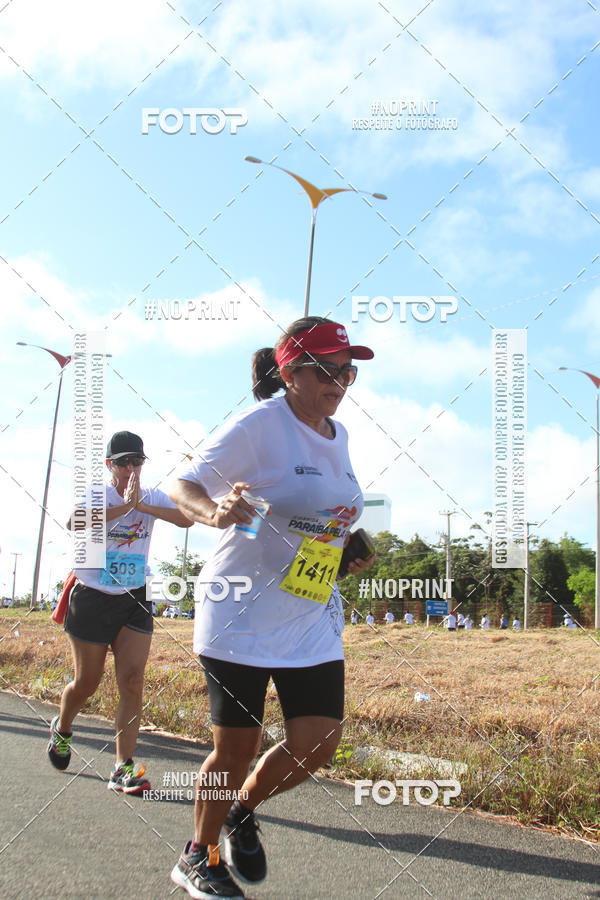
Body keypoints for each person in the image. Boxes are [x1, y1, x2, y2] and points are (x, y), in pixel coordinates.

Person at [168, 317, 376, 899]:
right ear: (290, 373)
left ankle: (240, 809)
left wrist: (347, 541)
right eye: (328, 368)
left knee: (318, 741)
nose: (341, 379)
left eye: (348, 369)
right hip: (240, 613)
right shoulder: (260, 426)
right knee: (235, 748)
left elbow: (329, 510)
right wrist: (211, 512)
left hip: (308, 613)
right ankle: (198, 856)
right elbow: (183, 484)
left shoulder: (340, 435)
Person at [47, 431, 192, 793]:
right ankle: (62, 727)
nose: (131, 468)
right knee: (87, 683)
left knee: (132, 682)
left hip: (134, 596)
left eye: (137, 461)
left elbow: (186, 519)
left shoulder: (152, 495)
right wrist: (126, 508)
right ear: (110, 465)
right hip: (93, 595)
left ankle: (122, 767)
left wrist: (143, 506)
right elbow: (73, 522)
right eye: (124, 462)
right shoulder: (98, 494)